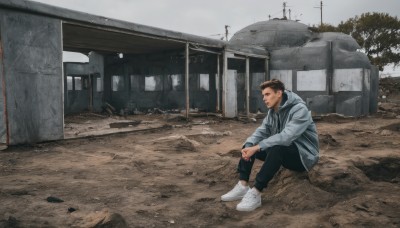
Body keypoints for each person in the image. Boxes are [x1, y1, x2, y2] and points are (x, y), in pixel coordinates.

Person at [221, 79, 319, 211]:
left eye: (267, 94)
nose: (264, 99)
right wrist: (249, 145)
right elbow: (261, 131)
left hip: (303, 157)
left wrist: (257, 147)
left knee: (276, 147)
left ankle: (256, 192)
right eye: (263, 95)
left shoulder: (299, 110)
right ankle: (243, 185)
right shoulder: (273, 111)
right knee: (251, 144)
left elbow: (286, 137)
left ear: (279, 93)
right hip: (284, 152)